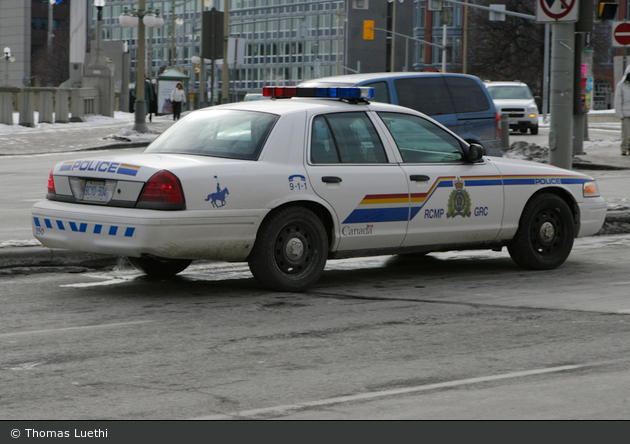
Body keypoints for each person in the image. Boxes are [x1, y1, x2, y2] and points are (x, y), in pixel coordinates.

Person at [614, 65, 630, 156]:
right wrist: (620, 114)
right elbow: (618, 100)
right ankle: (624, 149)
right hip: (626, 113)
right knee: (626, 134)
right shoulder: (621, 85)